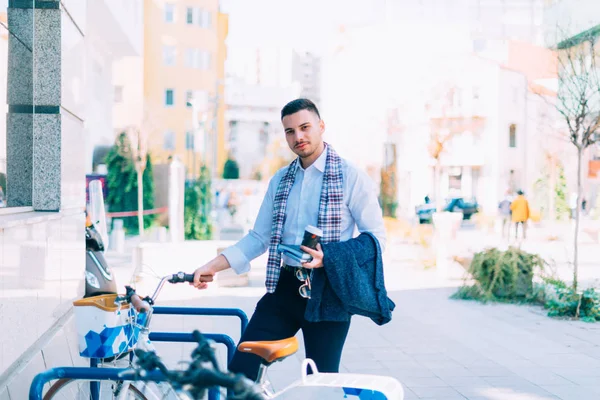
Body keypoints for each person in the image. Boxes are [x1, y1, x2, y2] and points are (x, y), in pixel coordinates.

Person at [191, 98, 387, 381]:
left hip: (328, 293)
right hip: (284, 289)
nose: (299, 137)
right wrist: (212, 266)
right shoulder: (281, 180)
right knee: (240, 375)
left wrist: (328, 257)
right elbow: (259, 237)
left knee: (320, 384)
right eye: (290, 131)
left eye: (305, 127)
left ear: (321, 126)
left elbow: (376, 239)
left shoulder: (351, 177)